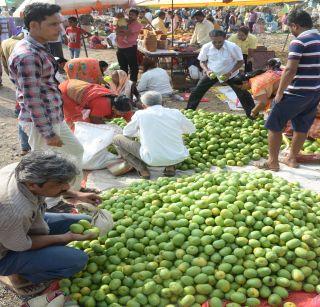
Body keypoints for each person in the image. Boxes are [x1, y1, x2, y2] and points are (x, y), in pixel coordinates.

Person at [0, 151, 101, 296]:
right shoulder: (15, 209)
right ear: (32, 184)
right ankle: (20, 277)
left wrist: (77, 195)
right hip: (6, 250)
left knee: (85, 221)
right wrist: (65, 238)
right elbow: (21, 245)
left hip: (14, 227)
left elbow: (55, 183)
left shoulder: (24, 170)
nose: (65, 186)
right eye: (59, 184)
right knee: (78, 261)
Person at [9, 3, 84, 191]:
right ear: (34, 25)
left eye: (60, 23)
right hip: (42, 122)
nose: (60, 29)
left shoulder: (40, 46)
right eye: (53, 24)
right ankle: (51, 206)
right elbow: (31, 99)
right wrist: (48, 133)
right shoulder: (28, 55)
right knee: (45, 170)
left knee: (75, 152)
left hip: (53, 117)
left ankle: (70, 194)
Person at [258, 10, 320, 171]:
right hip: (313, 93)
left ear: (295, 25)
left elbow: (290, 70)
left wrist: (279, 93)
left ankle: (273, 162)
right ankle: (292, 158)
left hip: (295, 92)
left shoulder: (299, 42)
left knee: (274, 124)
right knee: (302, 126)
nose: (290, 31)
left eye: (290, 27)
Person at [113, 91, 196, 179]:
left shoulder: (140, 114)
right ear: (162, 103)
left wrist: (142, 133)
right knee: (177, 137)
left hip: (151, 159)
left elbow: (127, 132)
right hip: (178, 157)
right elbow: (191, 129)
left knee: (117, 139)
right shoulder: (176, 112)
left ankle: (142, 170)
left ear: (143, 105)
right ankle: (170, 167)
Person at [187, 29, 255, 118]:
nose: (217, 44)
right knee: (197, 91)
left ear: (225, 38)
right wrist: (207, 70)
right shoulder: (206, 47)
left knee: (243, 93)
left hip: (231, 74)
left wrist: (230, 73)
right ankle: (189, 112)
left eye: (220, 42)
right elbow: (202, 62)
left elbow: (240, 61)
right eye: (214, 42)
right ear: (211, 39)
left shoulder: (233, 47)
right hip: (212, 72)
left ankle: (252, 114)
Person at [59, 79, 132, 127]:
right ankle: (76, 138)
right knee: (80, 122)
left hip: (76, 84)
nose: (123, 114)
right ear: (113, 108)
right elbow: (95, 120)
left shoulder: (118, 100)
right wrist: (110, 129)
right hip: (66, 91)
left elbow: (128, 116)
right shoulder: (103, 104)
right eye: (122, 113)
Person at [116, 9, 142, 83]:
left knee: (133, 67)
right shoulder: (125, 21)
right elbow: (116, 30)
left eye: (133, 15)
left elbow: (127, 33)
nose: (130, 16)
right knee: (122, 67)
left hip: (130, 48)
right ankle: (123, 82)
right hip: (120, 47)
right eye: (130, 14)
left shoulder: (137, 24)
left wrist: (120, 31)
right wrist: (120, 30)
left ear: (137, 16)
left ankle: (133, 82)